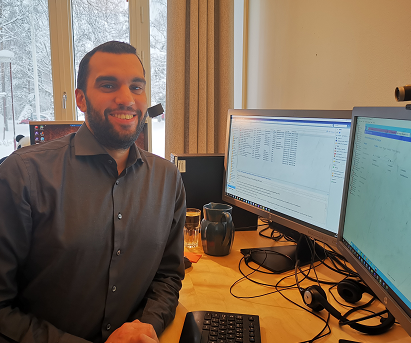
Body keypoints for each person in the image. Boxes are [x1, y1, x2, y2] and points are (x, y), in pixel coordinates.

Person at [0, 41, 186, 343]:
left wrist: (148, 324)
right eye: (109, 85)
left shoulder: (167, 180)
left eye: (137, 87)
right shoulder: (23, 175)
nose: (127, 99)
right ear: (81, 99)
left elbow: (168, 276)